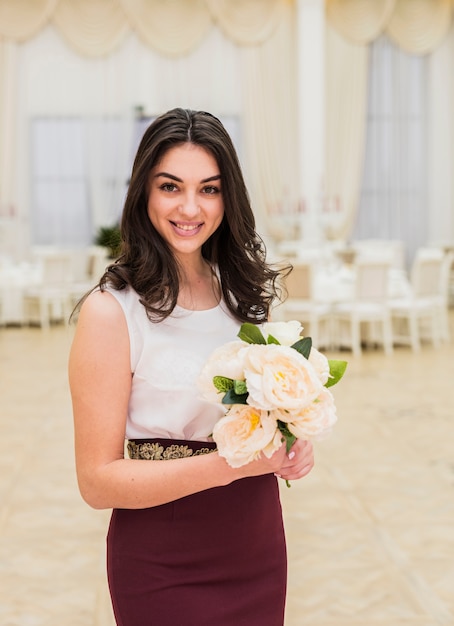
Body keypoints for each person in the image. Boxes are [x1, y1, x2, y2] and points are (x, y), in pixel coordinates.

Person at [69, 107, 314, 626]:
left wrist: (291, 443)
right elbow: (97, 482)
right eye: (170, 186)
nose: (189, 207)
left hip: (255, 540)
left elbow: (264, 423)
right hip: (162, 557)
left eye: (209, 188)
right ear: (144, 193)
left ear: (229, 197)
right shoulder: (111, 311)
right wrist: (235, 465)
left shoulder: (245, 299)